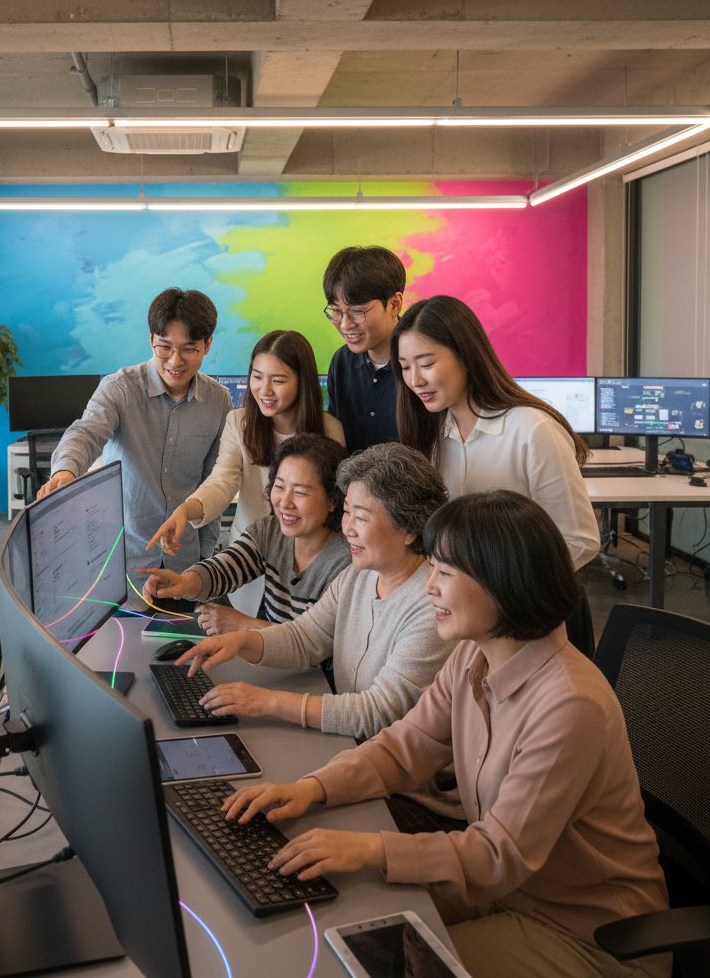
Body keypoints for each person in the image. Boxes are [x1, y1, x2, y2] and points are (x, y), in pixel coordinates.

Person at [221, 492, 670, 978]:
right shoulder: (476, 656)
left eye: (445, 574)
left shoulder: (568, 705)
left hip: (591, 933)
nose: (429, 586)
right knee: (338, 915)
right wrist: (310, 788)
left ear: (505, 584)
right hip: (512, 891)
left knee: (386, 963)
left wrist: (369, 848)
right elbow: (403, 748)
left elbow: (500, 855)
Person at [175, 445, 461, 830]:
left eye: (361, 517)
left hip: (410, 793)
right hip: (353, 755)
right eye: (347, 513)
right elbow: (306, 637)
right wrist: (242, 641)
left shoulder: (430, 606)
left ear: (410, 529)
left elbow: (376, 714)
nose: (348, 528)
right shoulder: (361, 574)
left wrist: (268, 702)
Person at [392, 294, 600, 653]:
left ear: (466, 357)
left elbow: (579, 539)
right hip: (471, 618)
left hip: (534, 615)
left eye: (425, 364)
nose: (415, 380)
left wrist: (503, 592)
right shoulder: (431, 436)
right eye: (405, 367)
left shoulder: (531, 430)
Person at [39, 288, 233, 609]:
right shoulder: (120, 388)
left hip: (184, 567)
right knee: (117, 656)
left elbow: (214, 480)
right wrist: (66, 469)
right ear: (150, 339)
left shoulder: (218, 400)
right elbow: (87, 431)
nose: (175, 361)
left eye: (188, 349)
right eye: (164, 347)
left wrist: (205, 554)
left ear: (207, 344)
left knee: (176, 654)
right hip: (121, 564)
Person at [147, 330, 344, 616]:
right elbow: (222, 481)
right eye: (257, 376)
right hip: (249, 559)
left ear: (303, 382)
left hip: (309, 567)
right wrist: (185, 511)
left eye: (278, 380)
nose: (264, 389)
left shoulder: (330, 431)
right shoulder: (239, 423)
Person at [139, 434, 350, 637]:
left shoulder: (346, 563)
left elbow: (317, 645)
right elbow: (224, 569)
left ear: (333, 500)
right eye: (279, 487)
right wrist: (184, 582)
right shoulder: (270, 531)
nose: (285, 502)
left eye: (300, 492)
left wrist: (243, 625)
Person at [322, 246, 405, 454]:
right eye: (336, 311)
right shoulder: (341, 362)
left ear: (394, 305)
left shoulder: (421, 361)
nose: (345, 325)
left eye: (357, 312)